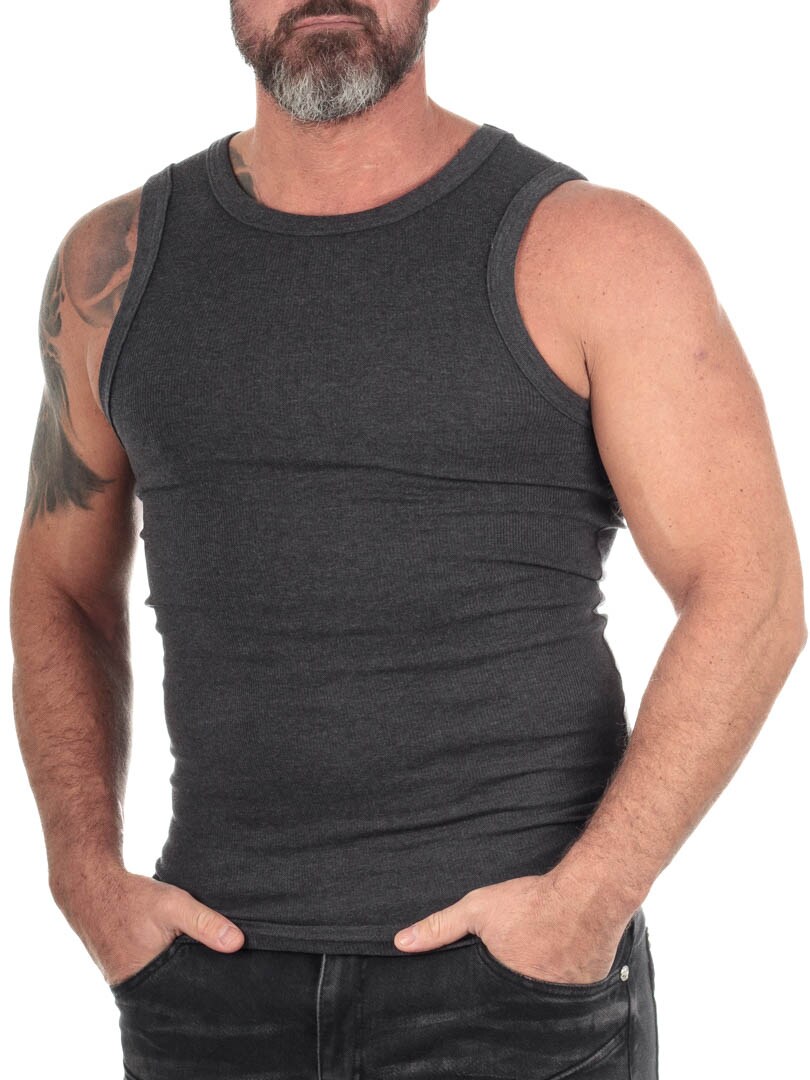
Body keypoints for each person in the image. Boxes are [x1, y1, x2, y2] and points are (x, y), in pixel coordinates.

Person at [10, 1, 806, 1077]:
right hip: (208, 980)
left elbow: (754, 591)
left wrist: (587, 906)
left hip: (516, 989)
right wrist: (83, 874)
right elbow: (59, 585)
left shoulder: (597, 251)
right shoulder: (114, 269)